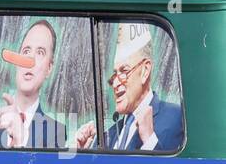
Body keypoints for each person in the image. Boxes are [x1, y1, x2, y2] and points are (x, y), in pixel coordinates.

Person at [75, 22, 183, 152]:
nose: (115, 84)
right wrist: (84, 154)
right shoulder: (110, 135)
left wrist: (149, 140)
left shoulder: (175, 118)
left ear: (145, 71)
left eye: (124, 71)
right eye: (115, 74)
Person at [0, 19, 68, 149]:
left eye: (40, 52)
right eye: (26, 51)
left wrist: (20, 142)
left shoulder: (56, 134)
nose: (30, 60)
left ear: (49, 68)